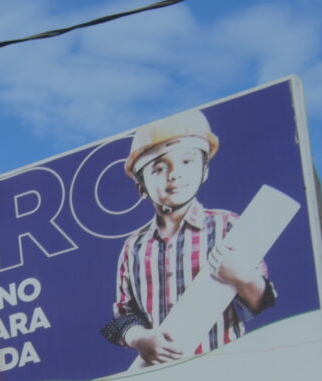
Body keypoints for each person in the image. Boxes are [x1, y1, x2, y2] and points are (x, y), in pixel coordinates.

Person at [102, 108, 276, 365]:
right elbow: (121, 318)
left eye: (186, 161)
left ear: (204, 170)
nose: (174, 175)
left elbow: (262, 302)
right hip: (161, 380)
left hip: (225, 369)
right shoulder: (134, 248)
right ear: (141, 186)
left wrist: (243, 277)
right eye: (159, 168)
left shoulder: (227, 226)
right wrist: (139, 338)